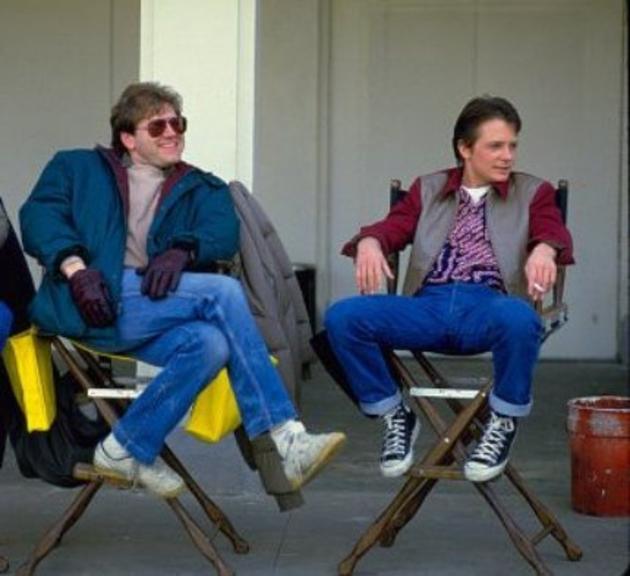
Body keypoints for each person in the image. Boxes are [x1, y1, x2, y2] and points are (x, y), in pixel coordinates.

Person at [20, 82, 345, 498]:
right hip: (87, 303)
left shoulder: (202, 186)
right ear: (128, 138)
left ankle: (123, 448)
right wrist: (76, 269)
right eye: (157, 126)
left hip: (147, 309)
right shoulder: (75, 167)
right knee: (222, 293)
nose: (172, 132)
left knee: (212, 344)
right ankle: (285, 435)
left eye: (178, 123)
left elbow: (221, 233)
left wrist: (184, 249)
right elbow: (39, 217)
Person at [325, 95, 573, 482]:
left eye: (512, 145)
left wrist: (544, 248)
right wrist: (370, 242)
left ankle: (503, 422)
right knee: (343, 316)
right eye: (496, 146)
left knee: (521, 317)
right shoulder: (428, 188)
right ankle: (394, 414)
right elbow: (393, 227)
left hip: (490, 307)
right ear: (465, 148)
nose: (508, 156)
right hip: (427, 307)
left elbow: (552, 229)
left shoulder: (534, 192)